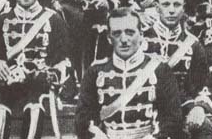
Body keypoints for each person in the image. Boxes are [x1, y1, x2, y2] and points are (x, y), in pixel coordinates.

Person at [0, 0, 69, 139]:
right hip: (9, 81)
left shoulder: (54, 20)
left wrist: (48, 74)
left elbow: (64, 61)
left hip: (39, 82)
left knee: (35, 107)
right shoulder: (1, 20)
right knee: (0, 109)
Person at [75, 7, 183, 139]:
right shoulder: (95, 72)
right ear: (109, 38)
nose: (124, 39)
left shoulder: (160, 70)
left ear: (141, 35)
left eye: (130, 32)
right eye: (117, 33)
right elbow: (83, 119)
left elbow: (172, 119)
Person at [144, 0, 212, 139]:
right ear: (157, 7)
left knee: (205, 129)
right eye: (166, 4)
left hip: (182, 109)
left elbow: (204, 85)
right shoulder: (142, 40)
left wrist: (199, 107)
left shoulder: (193, 45)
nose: (171, 10)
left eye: (177, 4)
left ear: (183, 8)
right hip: (146, 107)